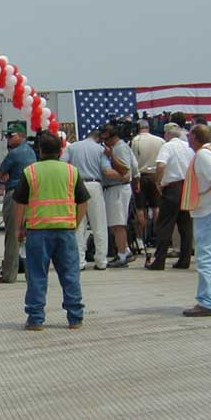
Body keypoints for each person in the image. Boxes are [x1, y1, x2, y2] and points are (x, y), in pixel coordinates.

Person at [13, 132, 90, 330]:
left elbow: (20, 203)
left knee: (37, 276)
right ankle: (75, 318)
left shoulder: (30, 172)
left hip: (38, 231)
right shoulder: (71, 171)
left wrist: (18, 228)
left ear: (39, 150)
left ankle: (36, 319)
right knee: (70, 275)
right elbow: (83, 201)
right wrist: (74, 222)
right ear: (61, 151)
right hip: (65, 231)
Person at [180, 125, 211, 317]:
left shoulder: (203, 155)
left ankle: (206, 301)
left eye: (189, 134)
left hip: (208, 211)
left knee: (205, 258)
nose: (187, 137)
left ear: (195, 137)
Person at [61, 128, 120, 271]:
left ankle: (79, 261)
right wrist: (122, 175)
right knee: (99, 224)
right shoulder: (100, 150)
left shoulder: (72, 147)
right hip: (94, 185)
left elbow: (62, 164)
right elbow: (106, 170)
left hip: (76, 184)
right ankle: (101, 260)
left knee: (78, 224)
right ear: (98, 139)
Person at [146, 123, 194, 270]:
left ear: (167, 134)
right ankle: (185, 259)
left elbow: (161, 165)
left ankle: (159, 260)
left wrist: (158, 182)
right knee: (186, 225)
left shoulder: (167, 146)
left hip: (172, 187)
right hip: (187, 186)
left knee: (165, 224)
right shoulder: (188, 147)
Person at [0, 123, 37, 283]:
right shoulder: (32, 152)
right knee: (29, 235)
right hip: (31, 196)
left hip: (15, 193)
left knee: (13, 235)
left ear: (21, 135)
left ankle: (9, 274)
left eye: (10, 135)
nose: (7, 138)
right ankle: (31, 273)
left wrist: (4, 176)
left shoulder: (14, 153)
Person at [99, 124, 135, 267]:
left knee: (118, 224)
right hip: (114, 188)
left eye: (106, 139)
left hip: (118, 188)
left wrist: (111, 156)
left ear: (113, 137)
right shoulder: (119, 147)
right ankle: (125, 249)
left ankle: (121, 255)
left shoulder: (120, 148)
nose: (104, 142)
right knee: (114, 224)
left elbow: (125, 170)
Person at [130, 120, 165, 245]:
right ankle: (159, 235)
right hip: (156, 175)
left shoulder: (135, 141)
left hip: (141, 175)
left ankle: (140, 238)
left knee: (140, 208)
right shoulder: (160, 140)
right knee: (156, 207)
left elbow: (133, 162)